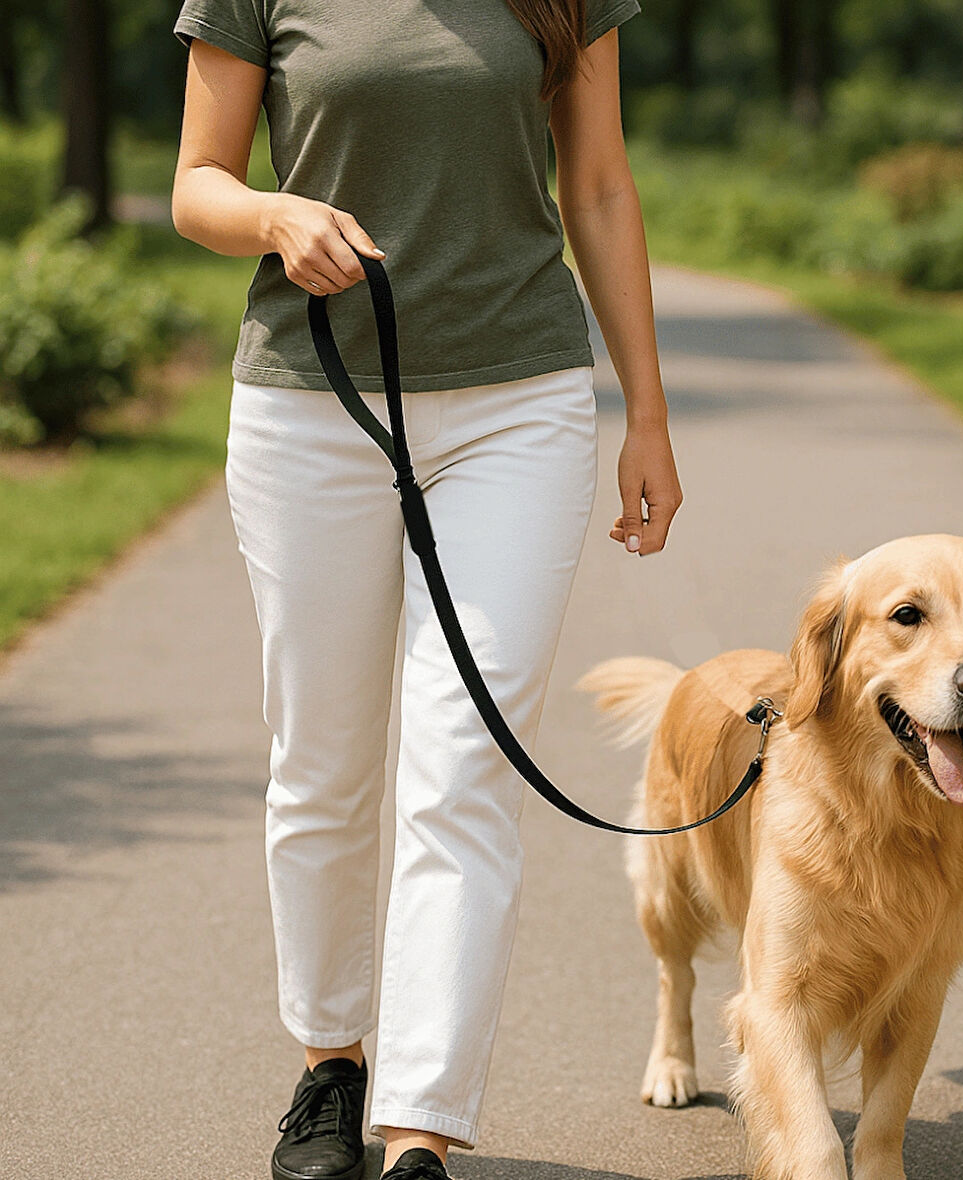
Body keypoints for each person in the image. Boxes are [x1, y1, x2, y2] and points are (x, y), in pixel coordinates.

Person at [170, 3, 682, 1180]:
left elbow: (598, 184)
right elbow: (198, 181)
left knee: (465, 766)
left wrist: (647, 412)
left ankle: (420, 1127)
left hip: (519, 401)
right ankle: (329, 1065)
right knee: (324, 758)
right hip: (314, 397)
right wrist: (271, 213)